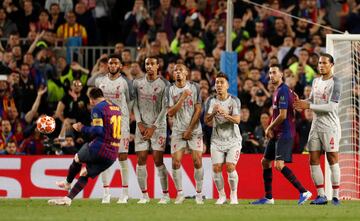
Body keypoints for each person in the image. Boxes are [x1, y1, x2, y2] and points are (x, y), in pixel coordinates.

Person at [48, 87, 122, 206]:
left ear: (92, 99)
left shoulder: (97, 108)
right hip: (113, 153)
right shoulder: (116, 108)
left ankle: (67, 183)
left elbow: (98, 131)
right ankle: (68, 199)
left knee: (77, 158)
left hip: (100, 147)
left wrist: (81, 128)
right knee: (85, 173)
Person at [252, 64, 312, 205]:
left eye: (274, 73)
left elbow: (283, 115)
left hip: (285, 133)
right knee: (265, 162)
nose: (271, 75)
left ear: (281, 75)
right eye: (270, 73)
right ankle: (268, 197)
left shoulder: (283, 91)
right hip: (277, 132)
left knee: (279, 165)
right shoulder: (281, 90)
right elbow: (282, 110)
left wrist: (268, 128)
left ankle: (304, 191)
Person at [294, 53, 341, 205]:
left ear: (331, 65)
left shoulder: (336, 82)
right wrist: (302, 102)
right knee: (313, 159)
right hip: (316, 125)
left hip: (330, 126)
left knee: (332, 158)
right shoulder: (315, 81)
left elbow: (331, 106)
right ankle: (321, 195)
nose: (321, 65)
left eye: (324, 63)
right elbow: (312, 101)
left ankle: (335, 196)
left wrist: (308, 105)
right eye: (320, 63)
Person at [95, 54, 134, 204]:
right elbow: (97, 101)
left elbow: (131, 101)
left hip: (121, 123)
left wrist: (127, 116)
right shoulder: (100, 81)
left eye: (115, 64)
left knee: (122, 158)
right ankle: (106, 193)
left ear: (120, 66)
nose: (112, 66)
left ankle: (124, 193)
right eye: (110, 63)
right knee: (105, 158)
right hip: (105, 124)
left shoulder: (125, 82)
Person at [133, 57, 170, 204]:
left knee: (157, 159)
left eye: (152, 64)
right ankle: (144, 195)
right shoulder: (137, 83)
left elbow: (165, 108)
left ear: (157, 66)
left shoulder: (165, 84)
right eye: (147, 64)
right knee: (141, 159)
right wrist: (139, 123)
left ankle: (165, 195)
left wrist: (154, 127)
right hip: (141, 126)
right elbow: (134, 104)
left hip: (158, 127)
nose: (149, 66)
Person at [166, 64, 204, 204]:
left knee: (197, 160)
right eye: (175, 70)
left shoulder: (195, 87)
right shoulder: (169, 89)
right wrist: (182, 98)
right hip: (177, 130)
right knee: (175, 162)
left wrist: (189, 129)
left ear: (186, 73)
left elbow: (198, 109)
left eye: (180, 70)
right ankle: (180, 193)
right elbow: (170, 112)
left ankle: (199, 194)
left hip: (194, 129)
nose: (178, 72)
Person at [204, 72, 242, 205]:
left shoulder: (234, 101)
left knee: (230, 166)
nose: (219, 85)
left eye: (222, 82)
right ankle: (221, 196)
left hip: (233, 140)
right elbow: (206, 121)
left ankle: (233, 194)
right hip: (217, 139)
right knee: (216, 168)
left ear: (227, 85)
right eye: (217, 83)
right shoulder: (211, 101)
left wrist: (225, 114)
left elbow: (237, 120)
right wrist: (214, 112)